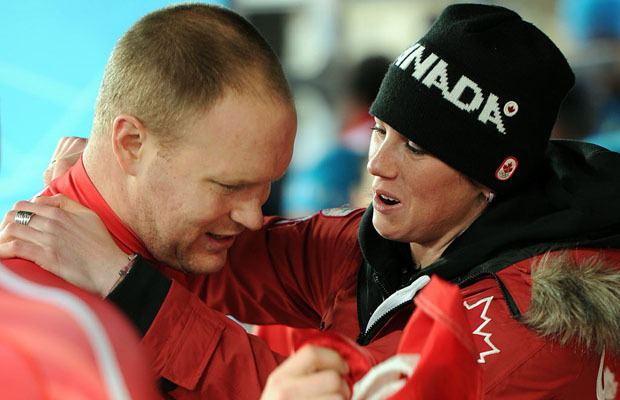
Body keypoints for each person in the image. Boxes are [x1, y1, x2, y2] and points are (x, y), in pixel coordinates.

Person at [3, 4, 620, 399]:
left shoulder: (536, 334)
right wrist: (115, 194)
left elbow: (358, 393)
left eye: (418, 147)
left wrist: (122, 281)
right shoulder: (390, 240)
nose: (377, 161)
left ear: (493, 177)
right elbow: (225, 255)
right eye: (382, 129)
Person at [1, 3, 299, 399]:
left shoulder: (171, 232)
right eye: (228, 186)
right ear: (131, 144)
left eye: (265, 185)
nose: (253, 218)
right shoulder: (35, 323)